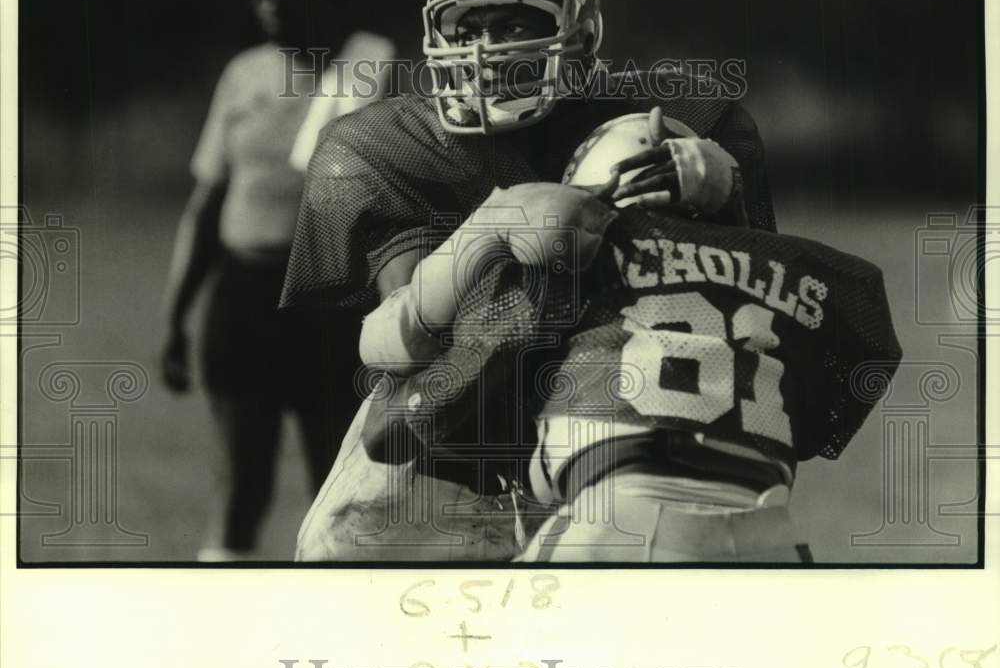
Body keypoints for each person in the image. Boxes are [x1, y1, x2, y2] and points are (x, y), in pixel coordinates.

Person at [282, 0, 776, 562]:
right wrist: (494, 226)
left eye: (516, 24)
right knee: (343, 574)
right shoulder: (385, 146)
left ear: (582, 29)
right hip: (440, 444)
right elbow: (398, 350)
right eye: (470, 26)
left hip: (617, 430)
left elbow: (755, 325)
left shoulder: (681, 128)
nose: (487, 50)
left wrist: (721, 198)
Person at [366, 110, 902, 562]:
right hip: (773, 540)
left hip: (613, 528)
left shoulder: (563, 266)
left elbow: (391, 434)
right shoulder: (807, 276)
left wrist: (483, 242)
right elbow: (840, 391)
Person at [160, 0, 394, 562]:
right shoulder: (243, 76)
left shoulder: (378, 69)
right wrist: (176, 319)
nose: (268, 2)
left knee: (339, 495)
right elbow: (206, 204)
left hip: (334, 310)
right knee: (242, 487)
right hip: (242, 301)